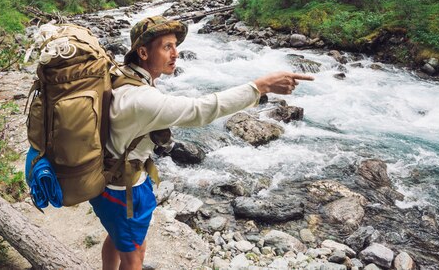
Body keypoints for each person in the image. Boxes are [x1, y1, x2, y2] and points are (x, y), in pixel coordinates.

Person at [89, 16, 314, 270]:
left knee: (117, 237)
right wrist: (260, 87)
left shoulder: (122, 74)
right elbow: (201, 110)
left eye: (175, 45)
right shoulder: (142, 99)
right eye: (167, 47)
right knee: (135, 255)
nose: (176, 53)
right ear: (142, 52)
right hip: (125, 190)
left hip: (107, 179)